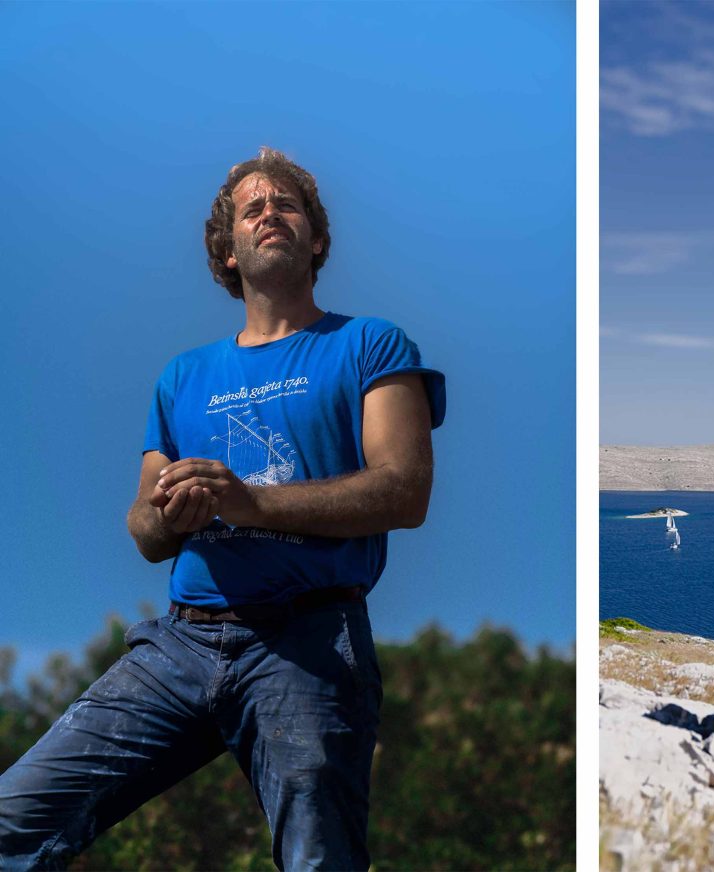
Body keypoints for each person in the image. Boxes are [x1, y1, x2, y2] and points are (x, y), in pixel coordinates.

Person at [0, 147, 445, 870]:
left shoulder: (370, 344)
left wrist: (249, 501)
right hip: (178, 646)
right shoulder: (184, 376)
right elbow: (144, 533)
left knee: (317, 861)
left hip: (308, 640)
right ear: (228, 252)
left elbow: (405, 490)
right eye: (252, 208)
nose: (271, 213)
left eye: (287, 204)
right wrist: (170, 513)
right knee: (13, 819)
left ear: (317, 239)